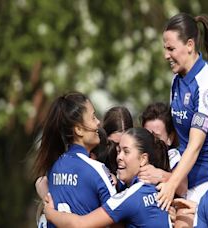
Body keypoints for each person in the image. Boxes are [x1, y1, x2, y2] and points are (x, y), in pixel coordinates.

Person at [157, 12, 208, 217]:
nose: (166, 55)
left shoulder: (206, 83)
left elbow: (194, 146)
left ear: (190, 45)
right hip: (185, 181)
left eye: (171, 49)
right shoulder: (177, 80)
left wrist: (170, 185)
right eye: (164, 48)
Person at [43, 128, 172, 228]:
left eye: (126, 152)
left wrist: (50, 214)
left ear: (143, 159)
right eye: (118, 151)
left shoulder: (133, 196)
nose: (119, 157)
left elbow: (80, 225)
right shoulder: (155, 189)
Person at [32, 92, 116, 227]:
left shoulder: (54, 168)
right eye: (93, 117)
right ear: (78, 130)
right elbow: (119, 215)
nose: (98, 122)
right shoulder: (97, 171)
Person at [138, 102, 187, 197]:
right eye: (146, 135)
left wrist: (161, 175)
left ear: (170, 138)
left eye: (156, 137)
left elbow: (183, 188)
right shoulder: (135, 154)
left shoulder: (172, 157)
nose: (150, 141)